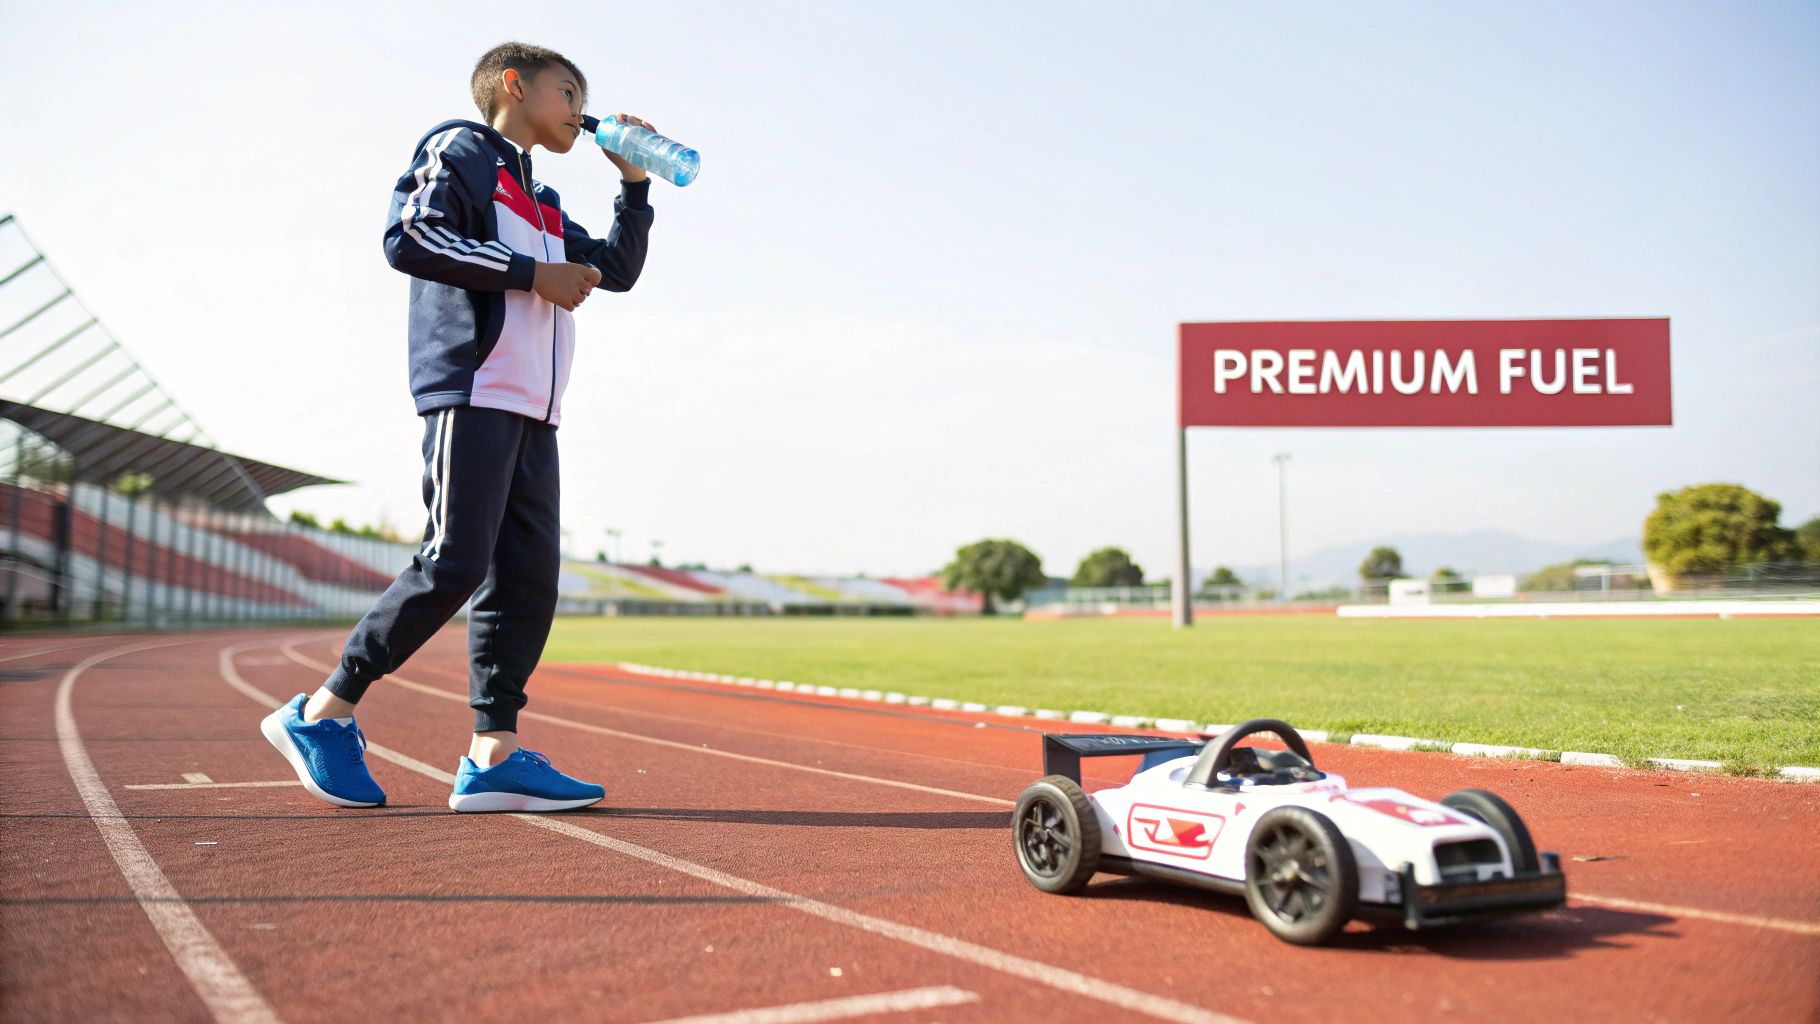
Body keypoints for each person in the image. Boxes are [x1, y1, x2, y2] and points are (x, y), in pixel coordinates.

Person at [259, 41, 657, 812]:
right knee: (453, 562)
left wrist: (634, 186)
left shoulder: (538, 198)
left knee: (529, 581)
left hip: (537, 412)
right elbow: (409, 236)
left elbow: (617, 266)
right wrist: (528, 274)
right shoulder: (463, 148)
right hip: (474, 389)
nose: (581, 110)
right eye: (569, 93)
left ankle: (492, 753)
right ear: (516, 85)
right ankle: (322, 714)